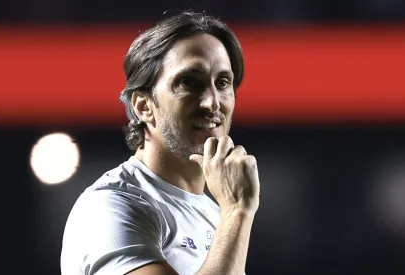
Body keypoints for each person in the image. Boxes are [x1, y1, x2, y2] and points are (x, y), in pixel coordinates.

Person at [61, 10, 260, 275]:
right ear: (143, 106)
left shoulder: (216, 213)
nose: (212, 102)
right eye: (189, 82)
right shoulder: (109, 207)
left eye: (223, 82)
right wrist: (237, 211)